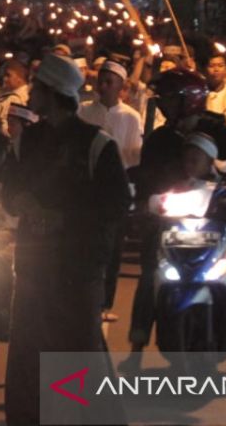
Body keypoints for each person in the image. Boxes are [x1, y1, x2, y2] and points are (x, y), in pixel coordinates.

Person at [2, 54, 131, 426]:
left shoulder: (97, 145)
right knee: (28, 354)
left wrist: (64, 219)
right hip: (32, 268)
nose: (31, 95)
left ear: (54, 93)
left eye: (38, 88)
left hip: (77, 269)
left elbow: (116, 204)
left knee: (76, 352)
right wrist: (19, 200)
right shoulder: (28, 141)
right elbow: (9, 187)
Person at [119, 132, 226, 372]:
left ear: (210, 161)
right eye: (186, 159)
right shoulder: (174, 185)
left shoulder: (224, 186)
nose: (189, 165)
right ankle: (136, 351)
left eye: (195, 159)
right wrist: (144, 206)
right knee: (149, 281)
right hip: (177, 245)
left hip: (218, 246)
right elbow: (152, 201)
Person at [77, 58, 143, 323]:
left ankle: (105, 303)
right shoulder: (82, 111)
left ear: (121, 87)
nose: (102, 86)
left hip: (116, 191)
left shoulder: (130, 117)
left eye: (109, 82)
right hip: (86, 190)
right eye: (100, 80)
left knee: (112, 248)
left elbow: (133, 158)